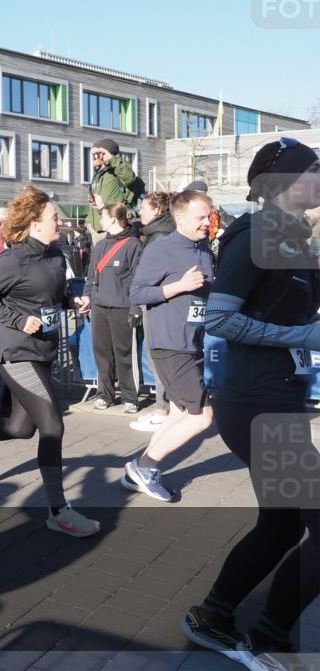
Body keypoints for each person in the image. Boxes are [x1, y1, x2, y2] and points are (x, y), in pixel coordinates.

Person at [183, 139, 320, 669]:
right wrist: (300, 338)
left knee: (282, 524)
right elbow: (218, 319)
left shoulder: (293, 239)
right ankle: (268, 638)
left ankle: (214, 615)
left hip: (277, 398)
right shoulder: (254, 234)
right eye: (314, 169)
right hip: (254, 403)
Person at [0, 186, 99, 537]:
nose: (60, 222)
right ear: (35, 223)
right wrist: (16, 318)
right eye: (54, 218)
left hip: (43, 351)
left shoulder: (56, 253)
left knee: (20, 428)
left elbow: (57, 291)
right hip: (15, 352)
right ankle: (59, 511)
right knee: (53, 426)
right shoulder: (14, 259)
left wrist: (74, 299)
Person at [124, 190, 215, 502]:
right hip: (171, 343)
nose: (207, 222)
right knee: (202, 416)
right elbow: (136, 293)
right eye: (200, 217)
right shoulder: (162, 248)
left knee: (179, 414)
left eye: (209, 215)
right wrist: (178, 286)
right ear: (179, 218)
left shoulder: (203, 248)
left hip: (193, 342)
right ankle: (145, 467)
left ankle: (135, 471)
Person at [79, 204, 143, 413]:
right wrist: (87, 297)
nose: (100, 221)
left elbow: (137, 279)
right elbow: (91, 277)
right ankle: (104, 394)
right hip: (100, 307)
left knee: (124, 353)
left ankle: (129, 397)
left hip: (122, 307)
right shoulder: (99, 246)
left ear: (114, 220)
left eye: (103, 217)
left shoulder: (133, 245)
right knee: (102, 353)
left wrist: (135, 307)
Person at [130, 192, 176, 432]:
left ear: (158, 210)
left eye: (145, 208)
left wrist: (139, 300)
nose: (140, 212)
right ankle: (165, 407)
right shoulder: (158, 234)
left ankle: (163, 410)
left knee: (159, 357)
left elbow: (152, 277)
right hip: (159, 302)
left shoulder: (160, 238)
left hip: (159, 304)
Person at [85, 139, 137, 239]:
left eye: (97, 154)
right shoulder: (100, 174)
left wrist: (112, 159)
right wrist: (88, 222)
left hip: (112, 228)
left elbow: (129, 177)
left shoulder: (117, 171)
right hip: (97, 230)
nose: (93, 157)